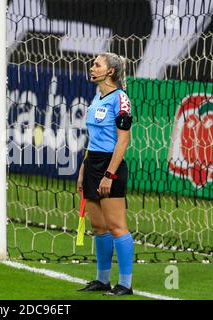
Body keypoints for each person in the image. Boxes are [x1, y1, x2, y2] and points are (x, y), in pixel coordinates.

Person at [77, 53, 134, 296]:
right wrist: (83, 170)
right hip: (92, 165)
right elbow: (93, 140)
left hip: (110, 166)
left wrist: (109, 175)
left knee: (116, 226)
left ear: (110, 71)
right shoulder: (97, 98)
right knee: (98, 226)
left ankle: (125, 284)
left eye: (97, 64)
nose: (92, 67)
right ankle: (102, 280)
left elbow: (123, 141)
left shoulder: (120, 99)